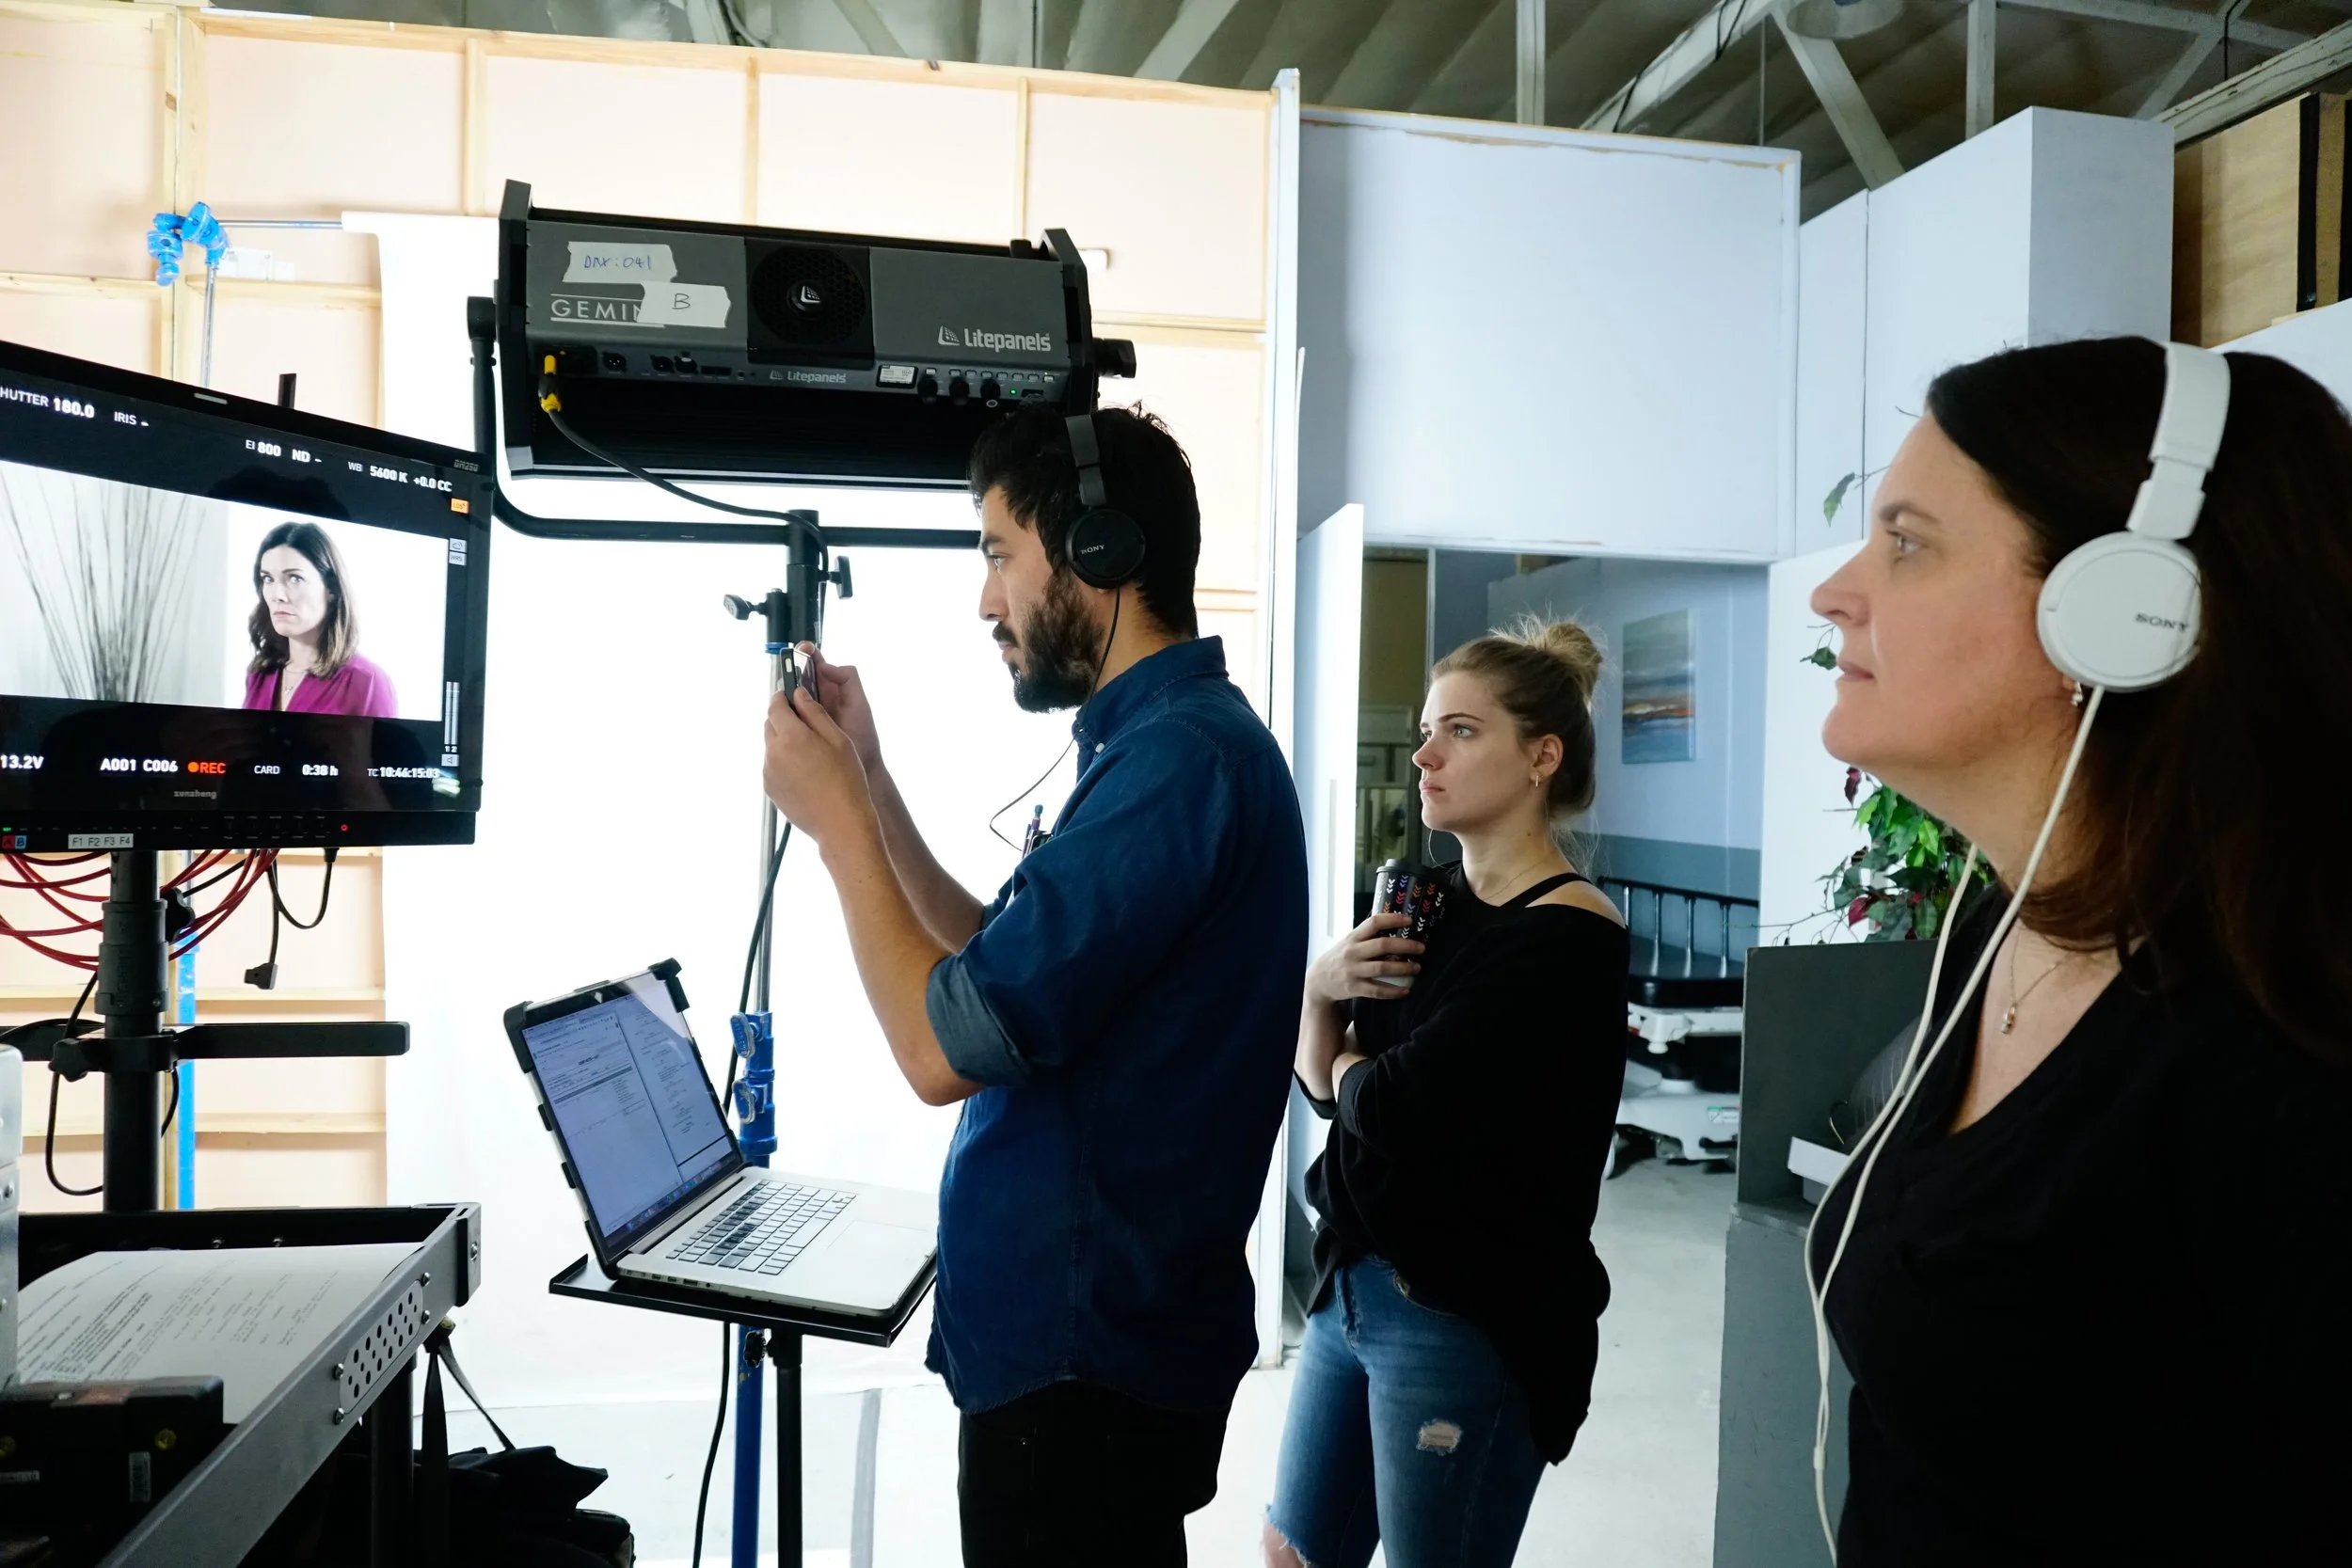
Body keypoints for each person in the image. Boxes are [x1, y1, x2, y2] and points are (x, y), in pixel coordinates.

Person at [1805, 338, 2352, 1563]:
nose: (1835, 590)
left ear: (2124, 610)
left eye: (1907, 541)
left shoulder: (2288, 1069)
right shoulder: (1996, 935)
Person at [758, 405, 1309, 1566]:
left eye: (999, 553)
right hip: (1078, 1360)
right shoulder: (1152, 747)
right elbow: (996, 961)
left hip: (1083, 1373)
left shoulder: (1180, 766)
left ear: (1098, 551)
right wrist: (872, 779)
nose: (985, 600)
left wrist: (838, 829)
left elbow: (936, 1046)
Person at [1268, 619, 1629, 1568]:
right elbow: (1324, 1081)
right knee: (1293, 1550)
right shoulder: (1422, 898)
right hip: (1352, 1278)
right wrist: (1316, 988)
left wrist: (1346, 1065)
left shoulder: (1565, 938)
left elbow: (1385, 1104)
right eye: (1429, 729)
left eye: (1460, 730)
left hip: (1462, 1312)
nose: (1424, 752)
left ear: (1540, 756)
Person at [239, 519, 396, 718]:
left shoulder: (366, 682)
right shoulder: (259, 674)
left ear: (331, 589)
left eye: (295, 578)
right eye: (268, 579)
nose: (277, 594)